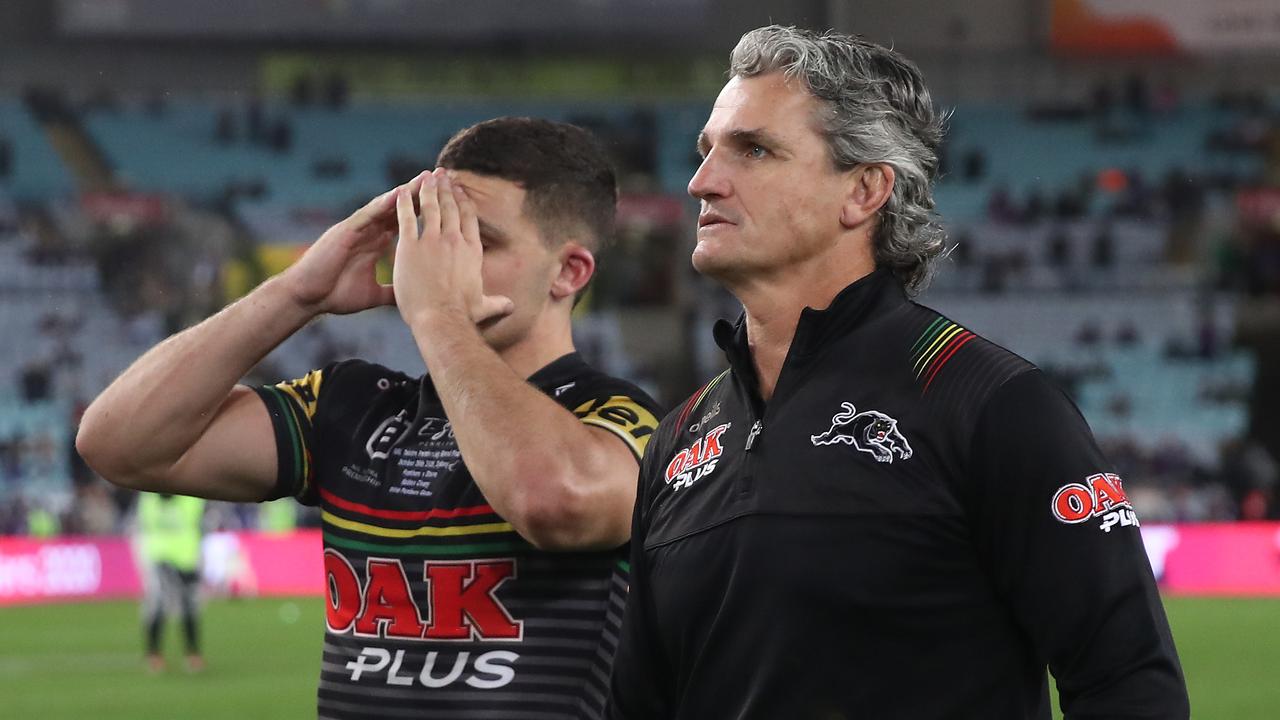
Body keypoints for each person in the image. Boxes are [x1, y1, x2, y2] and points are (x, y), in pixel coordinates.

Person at [609, 26, 1188, 719]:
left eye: (753, 149)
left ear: (864, 191)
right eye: (707, 152)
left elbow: (1129, 685)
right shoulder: (676, 444)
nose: (702, 182)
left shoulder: (994, 406)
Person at [77, 118, 662, 718]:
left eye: (478, 240)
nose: (442, 258)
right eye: (433, 231)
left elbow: (553, 499)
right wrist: (298, 292)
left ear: (569, 272)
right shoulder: (355, 405)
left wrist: (439, 315)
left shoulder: (618, 420)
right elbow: (119, 444)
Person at [135, 492, 205, 673]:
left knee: (189, 607)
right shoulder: (149, 498)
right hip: (161, 559)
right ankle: (154, 653)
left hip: (187, 559)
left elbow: (196, 521)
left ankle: (192, 653)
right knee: (159, 605)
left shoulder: (190, 498)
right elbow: (147, 525)